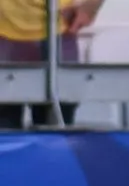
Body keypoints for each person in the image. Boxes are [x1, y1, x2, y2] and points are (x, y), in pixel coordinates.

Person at [0, 0, 103, 128]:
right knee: (5, 131)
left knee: (56, 131)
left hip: (59, 30)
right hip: (4, 31)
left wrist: (91, 5)